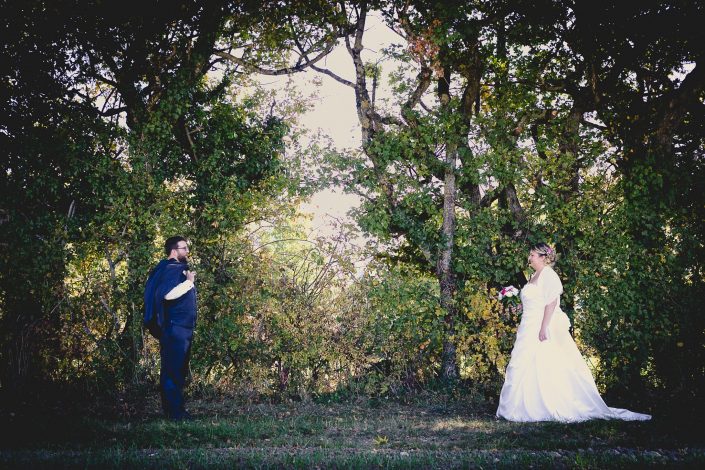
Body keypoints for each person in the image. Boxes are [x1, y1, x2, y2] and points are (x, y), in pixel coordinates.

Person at [496, 242, 651, 422]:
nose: (529, 258)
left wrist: (543, 328)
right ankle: (520, 406)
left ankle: (546, 405)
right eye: (530, 254)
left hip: (540, 325)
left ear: (543, 257)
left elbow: (551, 303)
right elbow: (536, 299)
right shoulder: (533, 276)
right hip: (527, 324)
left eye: (532, 255)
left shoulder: (549, 275)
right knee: (523, 364)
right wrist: (520, 307)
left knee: (544, 363)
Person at [144, 236, 197, 421]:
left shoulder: (168, 269)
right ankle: (175, 414)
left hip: (178, 328)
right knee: (173, 370)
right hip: (175, 328)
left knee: (176, 370)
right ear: (174, 250)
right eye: (184, 248)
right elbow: (167, 295)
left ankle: (175, 411)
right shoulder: (172, 268)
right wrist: (189, 282)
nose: (187, 251)